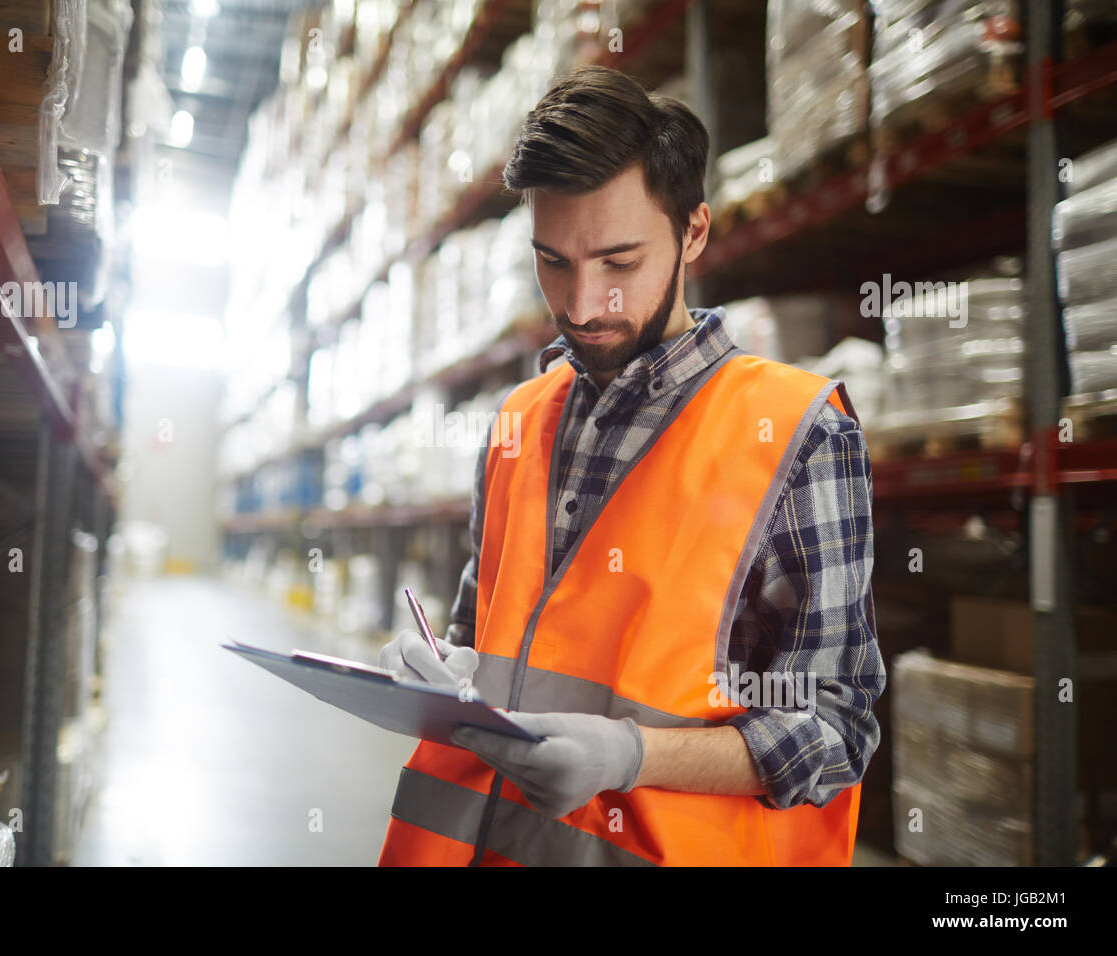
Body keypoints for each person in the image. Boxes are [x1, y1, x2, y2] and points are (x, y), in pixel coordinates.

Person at [377, 64, 885, 866]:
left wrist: (629, 756)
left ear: (693, 234)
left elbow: (833, 726)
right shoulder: (518, 421)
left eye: (618, 263)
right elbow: (483, 634)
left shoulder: (795, 434)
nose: (582, 305)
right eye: (553, 261)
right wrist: (437, 672)